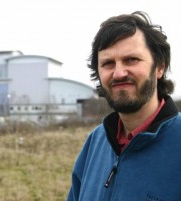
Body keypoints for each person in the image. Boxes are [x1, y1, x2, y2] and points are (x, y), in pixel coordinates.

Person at [67, 11, 181, 201]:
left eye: (131, 60)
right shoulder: (95, 142)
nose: (119, 73)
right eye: (108, 63)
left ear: (159, 67)